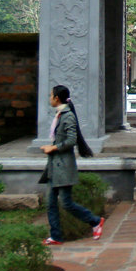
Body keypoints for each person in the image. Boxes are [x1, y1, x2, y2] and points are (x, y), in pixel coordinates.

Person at [39, 85, 105, 246]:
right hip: (55, 165)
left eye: (51, 96)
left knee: (66, 203)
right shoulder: (60, 114)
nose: (49, 98)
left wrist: (53, 147)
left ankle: (95, 221)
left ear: (57, 98)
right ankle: (56, 235)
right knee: (51, 202)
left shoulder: (67, 116)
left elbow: (71, 140)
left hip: (64, 166)